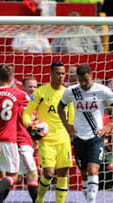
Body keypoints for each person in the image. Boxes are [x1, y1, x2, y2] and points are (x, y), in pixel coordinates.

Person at [58, 64, 113, 203]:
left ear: (91, 76)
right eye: (80, 80)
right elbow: (60, 106)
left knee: (93, 170)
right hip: (78, 136)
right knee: (84, 174)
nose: (83, 83)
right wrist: (67, 126)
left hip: (96, 136)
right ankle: (88, 200)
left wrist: (110, 124)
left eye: (86, 80)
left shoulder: (102, 90)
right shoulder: (72, 91)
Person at [23, 61, 74, 203]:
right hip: (46, 139)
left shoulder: (67, 93)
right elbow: (27, 113)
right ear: (51, 74)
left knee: (63, 173)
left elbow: (72, 116)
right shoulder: (40, 92)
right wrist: (30, 127)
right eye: (58, 73)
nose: (61, 76)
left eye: (63, 73)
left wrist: (73, 131)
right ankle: (39, 199)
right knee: (49, 173)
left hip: (63, 138)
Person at [0, 64, 28, 202]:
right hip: (8, 140)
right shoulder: (19, 94)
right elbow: (32, 103)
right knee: (14, 176)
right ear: (11, 78)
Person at [17, 76, 39, 202]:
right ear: (23, 87)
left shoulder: (36, 106)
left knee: (15, 178)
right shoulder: (18, 103)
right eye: (30, 86)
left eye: (35, 87)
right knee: (33, 173)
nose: (32, 89)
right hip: (19, 142)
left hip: (28, 144)